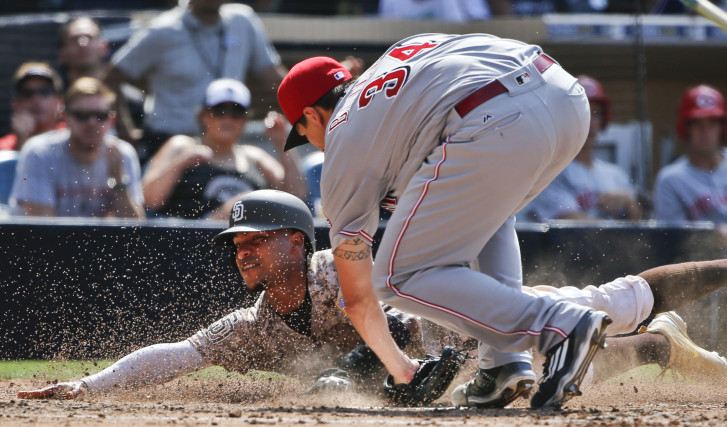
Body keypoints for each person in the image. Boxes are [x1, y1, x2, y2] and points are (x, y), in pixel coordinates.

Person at [15, 191, 727, 402]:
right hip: (481, 371)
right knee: (601, 366)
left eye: (257, 238)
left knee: (620, 296)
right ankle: (661, 345)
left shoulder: (343, 264)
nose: (244, 250)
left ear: (297, 239)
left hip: (500, 318)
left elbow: (404, 312)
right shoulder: (256, 325)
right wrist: (88, 383)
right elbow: (179, 353)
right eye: (236, 244)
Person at [277, 33, 611, 410]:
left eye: (304, 134)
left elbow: (357, 297)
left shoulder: (342, 134)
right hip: (565, 97)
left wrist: (401, 368)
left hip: (496, 115)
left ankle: (560, 325)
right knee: (488, 218)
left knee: (395, 277)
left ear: (309, 115)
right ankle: (503, 363)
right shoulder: (395, 65)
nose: (314, 143)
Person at [103, 0, 287, 164]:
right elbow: (111, 79)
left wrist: (309, 106)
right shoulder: (162, 30)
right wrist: (126, 133)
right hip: (169, 146)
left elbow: (273, 77)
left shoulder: (243, 20)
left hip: (223, 147)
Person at [142, 78, 307, 219]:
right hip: (190, 239)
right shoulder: (182, 146)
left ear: (244, 120)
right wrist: (181, 162)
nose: (228, 119)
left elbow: (296, 199)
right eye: (220, 111)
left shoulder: (254, 156)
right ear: (204, 115)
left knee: (247, 204)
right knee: (244, 204)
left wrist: (282, 143)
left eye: (236, 112)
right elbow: (149, 200)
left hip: (246, 244)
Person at [9, 77, 144, 218]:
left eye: (100, 116)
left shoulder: (123, 154)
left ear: (111, 120)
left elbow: (134, 232)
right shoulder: (40, 153)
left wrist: (119, 182)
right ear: (64, 118)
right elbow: (42, 230)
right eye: (82, 116)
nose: (92, 123)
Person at [518, 75, 642, 221]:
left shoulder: (616, 175)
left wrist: (630, 203)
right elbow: (572, 224)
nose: (589, 121)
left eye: (595, 113)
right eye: (582, 113)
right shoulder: (550, 171)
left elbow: (639, 229)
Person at [653, 84, 727, 224]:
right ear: (686, 129)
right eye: (697, 123)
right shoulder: (671, 179)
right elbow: (672, 240)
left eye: (712, 123)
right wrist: (714, 236)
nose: (705, 131)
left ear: (721, 128)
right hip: (703, 246)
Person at [0, 62, 65, 151]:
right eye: (27, 93)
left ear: (59, 101)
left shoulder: (73, 139)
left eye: (44, 92)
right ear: (16, 105)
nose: (36, 99)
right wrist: (21, 141)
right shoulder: (3, 149)